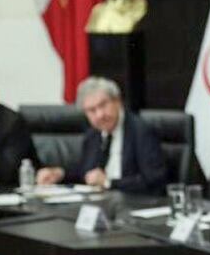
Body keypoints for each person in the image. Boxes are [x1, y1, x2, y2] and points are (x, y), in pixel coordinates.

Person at [36, 76, 165, 194]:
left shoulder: (141, 131)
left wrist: (108, 182)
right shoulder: (93, 135)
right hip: (102, 203)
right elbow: (86, 172)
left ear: (117, 101)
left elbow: (154, 179)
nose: (100, 115)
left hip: (133, 204)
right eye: (92, 110)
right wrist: (59, 174)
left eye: (103, 105)